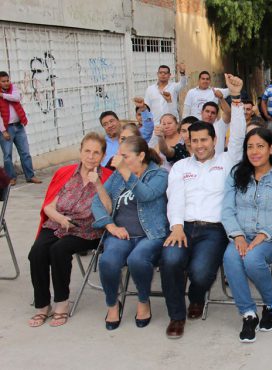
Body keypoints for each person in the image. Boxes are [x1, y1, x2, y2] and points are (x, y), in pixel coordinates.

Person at [161, 74, 245, 339]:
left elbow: (239, 136)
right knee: (170, 261)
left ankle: (196, 296)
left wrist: (236, 97)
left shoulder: (226, 161)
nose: (199, 145)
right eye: (194, 141)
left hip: (213, 230)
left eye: (204, 140)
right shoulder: (180, 168)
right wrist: (175, 227)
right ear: (189, 142)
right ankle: (177, 316)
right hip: (183, 226)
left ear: (213, 140)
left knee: (200, 273)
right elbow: (175, 198)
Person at [28, 132, 113, 327]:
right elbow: (49, 206)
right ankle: (42, 305)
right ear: (81, 152)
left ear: (103, 155)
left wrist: (97, 183)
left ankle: (61, 303)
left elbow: (108, 210)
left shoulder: (108, 177)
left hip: (87, 229)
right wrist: (60, 218)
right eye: (87, 151)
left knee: (59, 250)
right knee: (37, 252)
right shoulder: (66, 173)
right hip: (58, 222)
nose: (91, 157)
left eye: (96, 153)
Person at [222, 127, 272, 343]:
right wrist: (237, 236)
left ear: (271, 148)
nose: (254, 152)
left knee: (253, 260)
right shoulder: (237, 174)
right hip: (241, 234)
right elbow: (227, 210)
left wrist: (263, 235)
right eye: (250, 147)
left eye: (260, 146)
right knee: (231, 258)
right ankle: (248, 314)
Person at [91, 136, 168, 330]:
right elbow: (98, 202)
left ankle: (143, 300)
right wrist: (110, 226)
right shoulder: (118, 175)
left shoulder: (159, 175)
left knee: (137, 260)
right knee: (108, 261)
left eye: (124, 156)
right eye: (118, 155)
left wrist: (126, 172)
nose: (119, 159)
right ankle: (112, 304)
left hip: (150, 234)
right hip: (121, 234)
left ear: (141, 155)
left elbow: (146, 195)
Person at [0, 71, 42, 185]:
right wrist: (3, 131)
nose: (6, 83)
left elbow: (16, 98)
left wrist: (3, 95)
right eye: (3, 81)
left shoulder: (13, 89)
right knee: (7, 156)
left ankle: (30, 176)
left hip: (19, 126)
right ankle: (11, 178)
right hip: (6, 129)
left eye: (7, 80)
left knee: (25, 153)